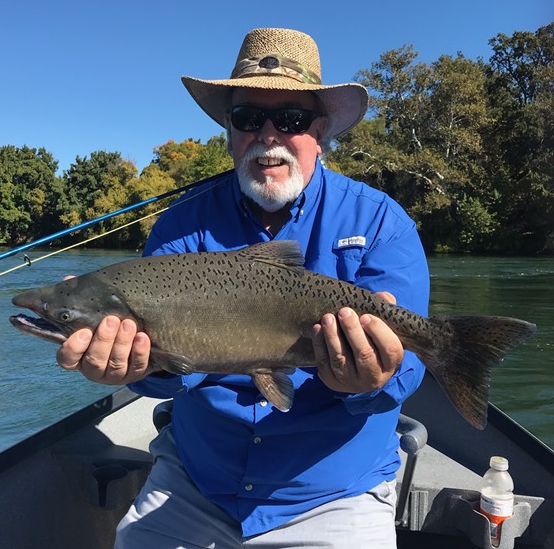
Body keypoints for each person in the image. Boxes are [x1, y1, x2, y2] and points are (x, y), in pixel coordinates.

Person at [57, 28, 430, 549]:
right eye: (249, 118)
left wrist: (372, 379)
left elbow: (407, 371)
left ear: (320, 131)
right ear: (229, 131)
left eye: (292, 119)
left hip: (332, 491)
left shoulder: (383, 223)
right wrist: (142, 369)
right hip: (194, 481)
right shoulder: (177, 230)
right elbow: (167, 375)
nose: (269, 134)